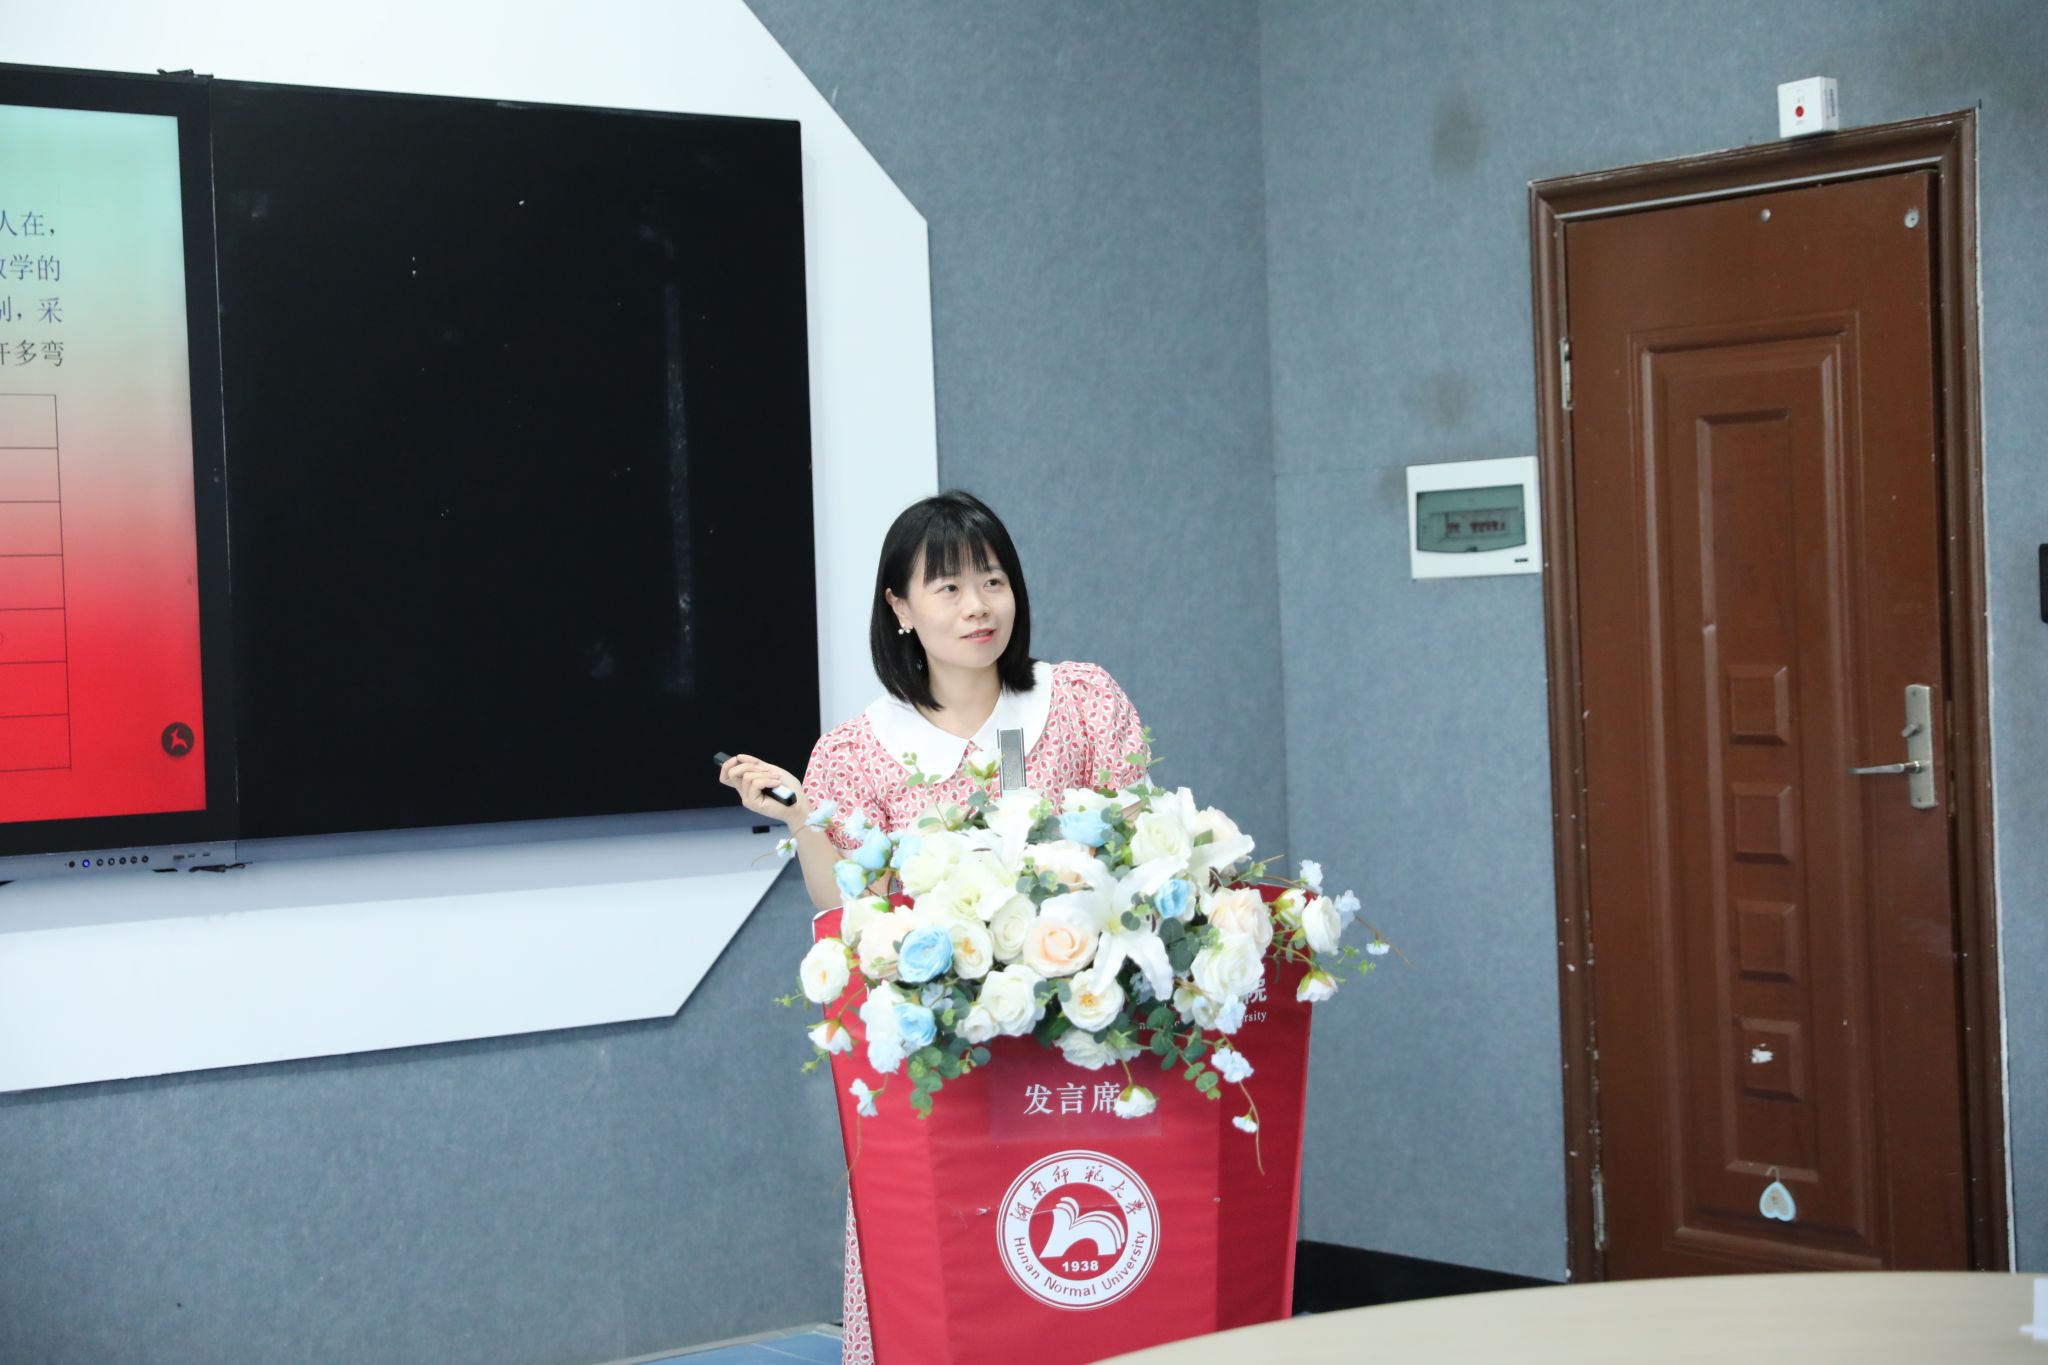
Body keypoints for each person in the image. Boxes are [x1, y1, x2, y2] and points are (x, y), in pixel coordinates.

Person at [717, 489, 1150, 1364]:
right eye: (947, 587)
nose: (978, 606)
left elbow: (1142, 851)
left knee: (1083, 1264)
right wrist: (802, 815)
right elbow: (845, 903)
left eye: (992, 580)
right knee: (954, 1286)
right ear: (900, 608)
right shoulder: (856, 751)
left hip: (1083, 1051)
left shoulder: (1083, 701)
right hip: (945, 1061)